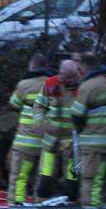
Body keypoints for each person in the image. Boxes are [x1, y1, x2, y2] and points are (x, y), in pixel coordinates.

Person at [71, 52, 106, 208]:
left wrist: (79, 130)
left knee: (93, 176)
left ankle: (92, 207)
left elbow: (77, 115)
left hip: (95, 142)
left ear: (85, 66)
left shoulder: (88, 86)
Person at [6, 53, 50, 204]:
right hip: (46, 144)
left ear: (32, 66)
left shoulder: (24, 84)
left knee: (19, 177)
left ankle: (16, 208)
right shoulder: (54, 84)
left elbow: (14, 103)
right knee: (41, 179)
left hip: (25, 144)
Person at [34, 59, 81, 199]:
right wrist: (41, 124)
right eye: (68, 77)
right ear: (61, 74)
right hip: (51, 139)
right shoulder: (50, 83)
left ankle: (71, 203)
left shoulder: (84, 85)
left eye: (74, 76)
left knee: (72, 179)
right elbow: (38, 106)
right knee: (45, 177)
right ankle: (41, 202)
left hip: (73, 141)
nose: (71, 80)